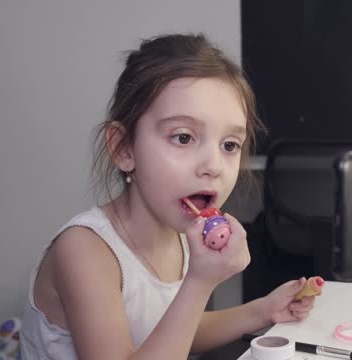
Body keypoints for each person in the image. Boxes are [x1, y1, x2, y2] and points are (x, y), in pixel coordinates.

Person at [20, 33, 316, 359]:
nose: (213, 166)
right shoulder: (84, 251)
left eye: (230, 145)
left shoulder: (180, 237)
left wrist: (262, 311)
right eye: (184, 137)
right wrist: (199, 283)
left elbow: (175, 331)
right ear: (123, 148)